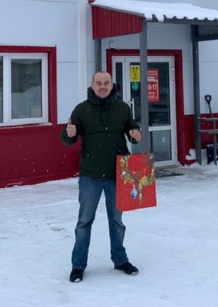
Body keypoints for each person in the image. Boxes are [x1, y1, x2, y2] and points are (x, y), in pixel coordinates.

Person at [60, 71, 142, 283]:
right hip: (91, 176)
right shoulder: (81, 109)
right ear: (93, 85)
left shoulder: (122, 108)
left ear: (112, 85)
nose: (103, 86)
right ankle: (78, 265)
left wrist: (135, 133)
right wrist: (68, 133)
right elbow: (68, 139)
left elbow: (132, 128)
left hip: (118, 174)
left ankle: (120, 260)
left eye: (106, 83)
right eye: (99, 83)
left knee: (117, 221)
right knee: (84, 221)